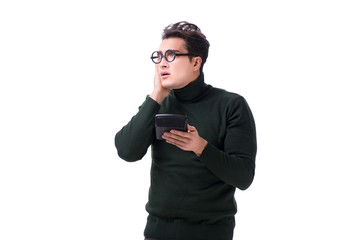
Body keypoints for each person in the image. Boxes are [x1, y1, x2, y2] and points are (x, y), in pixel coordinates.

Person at [114, 21, 257, 240]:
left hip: (211, 233)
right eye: (159, 56)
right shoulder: (158, 103)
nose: (162, 63)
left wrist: (201, 148)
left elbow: (243, 176)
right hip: (157, 233)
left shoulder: (231, 105)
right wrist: (156, 96)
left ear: (196, 62)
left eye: (171, 56)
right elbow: (127, 151)